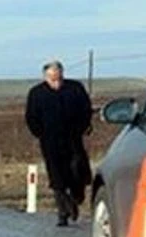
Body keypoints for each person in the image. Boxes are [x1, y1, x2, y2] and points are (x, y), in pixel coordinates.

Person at [25, 59, 93, 227]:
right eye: (52, 78)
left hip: (73, 138)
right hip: (50, 141)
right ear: (45, 77)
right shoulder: (37, 93)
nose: (56, 82)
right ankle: (63, 212)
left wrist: (82, 127)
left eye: (59, 78)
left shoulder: (75, 88)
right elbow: (31, 116)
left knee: (77, 169)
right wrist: (40, 133)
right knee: (57, 177)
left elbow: (86, 109)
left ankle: (76, 197)